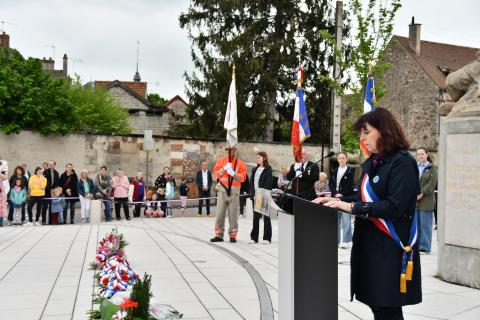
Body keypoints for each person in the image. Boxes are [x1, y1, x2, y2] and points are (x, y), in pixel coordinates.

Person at [314, 107, 421, 320]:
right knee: (377, 305)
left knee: (387, 308)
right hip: (370, 245)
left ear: (384, 130)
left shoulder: (403, 162)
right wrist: (338, 201)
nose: (362, 138)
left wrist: (352, 208)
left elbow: (394, 206)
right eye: (361, 133)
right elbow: (363, 199)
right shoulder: (374, 163)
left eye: (366, 132)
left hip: (390, 247)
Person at [210, 145, 247, 243]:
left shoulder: (240, 163)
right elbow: (215, 175)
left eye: (232, 150)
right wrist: (224, 169)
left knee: (233, 215)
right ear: (227, 151)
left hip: (234, 192)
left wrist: (233, 173)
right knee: (219, 214)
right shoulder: (221, 161)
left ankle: (233, 235)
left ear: (235, 150)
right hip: (222, 190)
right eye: (229, 150)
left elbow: (243, 178)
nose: (230, 152)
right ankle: (219, 235)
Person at [329, 152, 355, 248]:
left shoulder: (350, 170)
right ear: (338, 160)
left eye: (343, 158)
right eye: (340, 158)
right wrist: (334, 193)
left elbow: (350, 185)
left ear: (346, 159)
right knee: (336, 220)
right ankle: (336, 240)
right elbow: (331, 184)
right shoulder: (334, 171)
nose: (341, 160)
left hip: (346, 197)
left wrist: (342, 194)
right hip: (335, 197)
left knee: (346, 220)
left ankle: (346, 241)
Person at [416, 147, 438, 254]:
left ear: (427, 154)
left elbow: (432, 184)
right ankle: (417, 247)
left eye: (422, 154)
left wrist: (422, 193)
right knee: (416, 225)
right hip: (414, 201)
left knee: (425, 225)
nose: (420, 156)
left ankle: (425, 248)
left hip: (426, 200)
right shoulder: (415, 167)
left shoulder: (432, 168)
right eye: (418, 154)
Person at [249, 151, 273, 244]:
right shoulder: (254, 169)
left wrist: (261, 194)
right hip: (255, 195)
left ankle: (267, 238)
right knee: (256, 217)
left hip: (264, 194)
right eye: (257, 157)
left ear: (264, 158)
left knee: (266, 217)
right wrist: (252, 194)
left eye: (259, 157)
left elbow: (268, 183)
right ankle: (254, 238)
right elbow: (252, 183)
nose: (258, 159)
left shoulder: (268, 169)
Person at [43, 160, 60, 224]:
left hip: (53, 193)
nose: (51, 165)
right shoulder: (45, 172)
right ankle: (44, 221)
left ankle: (51, 221)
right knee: (44, 207)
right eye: (50, 164)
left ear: (54, 165)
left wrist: (55, 190)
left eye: (52, 164)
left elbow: (57, 183)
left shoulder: (56, 173)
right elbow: (45, 182)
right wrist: (50, 189)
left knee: (51, 207)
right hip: (46, 192)